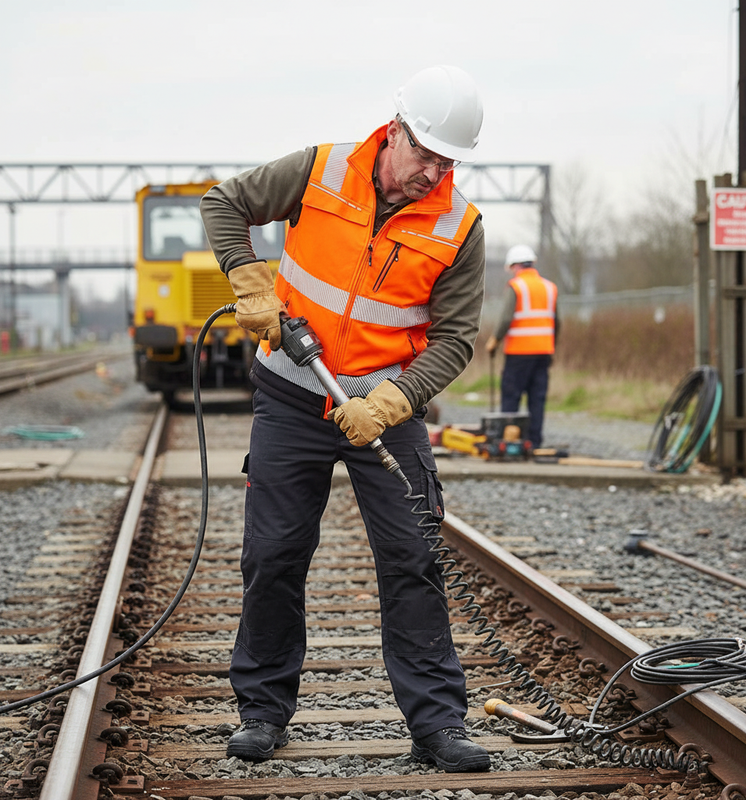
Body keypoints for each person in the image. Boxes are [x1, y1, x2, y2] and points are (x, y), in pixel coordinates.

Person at [199, 65, 491, 773]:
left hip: (385, 407)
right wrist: (249, 280)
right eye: (424, 154)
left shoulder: (460, 226)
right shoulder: (320, 170)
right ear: (395, 131)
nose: (432, 172)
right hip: (292, 394)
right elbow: (223, 202)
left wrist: (394, 400)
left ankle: (437, 725)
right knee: (273, 554)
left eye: (447, 161)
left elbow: (455, 339)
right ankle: (263, 711)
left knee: (413, 555)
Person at [485, 244, 558, 450]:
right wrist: (552, 347)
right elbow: (556, 322)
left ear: (515, 266)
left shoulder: (516, 286)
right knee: (537, 398)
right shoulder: (549, 287)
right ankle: (534, 442)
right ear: (532, 264)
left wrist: (494, 341)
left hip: (519, 352)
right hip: (543, 351)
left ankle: (510, 442)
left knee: (511, 396)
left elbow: (507, 317)